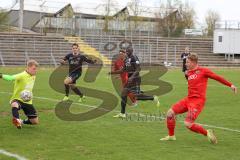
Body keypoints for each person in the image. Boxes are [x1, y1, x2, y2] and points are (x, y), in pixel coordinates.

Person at [160, 53, 237, 144]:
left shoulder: (203, 71)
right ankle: (171, 136)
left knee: (188, 124)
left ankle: (207, 132)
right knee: (170, 113)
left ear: (193, 62)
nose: (185, 64)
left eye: (187, 62)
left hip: (197, 101)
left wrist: (230, 85)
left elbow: (217, 77)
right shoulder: (188, 72)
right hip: (188, 99)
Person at [109, 47, 160, 118]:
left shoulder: (134, 58)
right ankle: (122, 113)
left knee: (137, 96)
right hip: (130, 80)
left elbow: (138, 69)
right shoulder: (126, 59)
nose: (127, 53)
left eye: (128, 52)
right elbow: (123, 70)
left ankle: (153, 98)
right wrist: (113, 73)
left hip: (135, 79)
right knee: (123, 94)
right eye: (126, 52)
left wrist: (132, 77)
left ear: (132, 52)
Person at [0, 60, 40, 129]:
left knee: (35, 121)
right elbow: (10, 78)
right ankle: (17, 120)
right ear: (28, 68)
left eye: (36, 69)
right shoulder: (22, 75)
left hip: (28, 101)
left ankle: (21, 121)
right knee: (14, 104)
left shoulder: (33, 76)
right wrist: (1, 75)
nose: (35, 71)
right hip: (18, 99)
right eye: (34, 69)